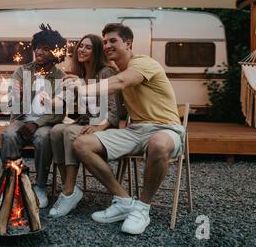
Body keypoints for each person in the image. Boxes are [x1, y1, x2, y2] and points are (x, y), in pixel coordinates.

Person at [71, 23, 185, 235]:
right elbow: (110, 107)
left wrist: (82, 88)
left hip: (166, 129)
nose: (107, 45)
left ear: (128, 43)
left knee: (158, 143)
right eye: (104, 42)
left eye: (113, 41)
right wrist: (98, 125)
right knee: (81, 143)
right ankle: (123, 200)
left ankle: (142, 208)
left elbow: (121, 82)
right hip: (135, 131)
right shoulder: (116, 70)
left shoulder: (143, 63)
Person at [48, 34, 120, 218]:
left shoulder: (106, 72)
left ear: (96, 52)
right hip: (85, 124)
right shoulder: (80, 75)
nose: (82, 50)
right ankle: (69, 188)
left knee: (70, 132)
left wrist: (99, 128)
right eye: (81, 46)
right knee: (56, 130)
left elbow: (113, 111)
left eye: (88, 47)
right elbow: (74, 108)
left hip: (104, 128)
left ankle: (69, 192)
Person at [1, 24, 66, 208]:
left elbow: (60, 111)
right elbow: (11, 99)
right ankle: (10, 185)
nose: (39, 51)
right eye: (37, 47)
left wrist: (37, 124)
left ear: (55, 52)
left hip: (45, 123)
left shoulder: (60, 76)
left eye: (46, 48)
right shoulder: (22, 71)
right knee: (8, 136)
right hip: (22, 119)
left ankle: (40, 187)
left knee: (42, 139)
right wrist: (18, 97)